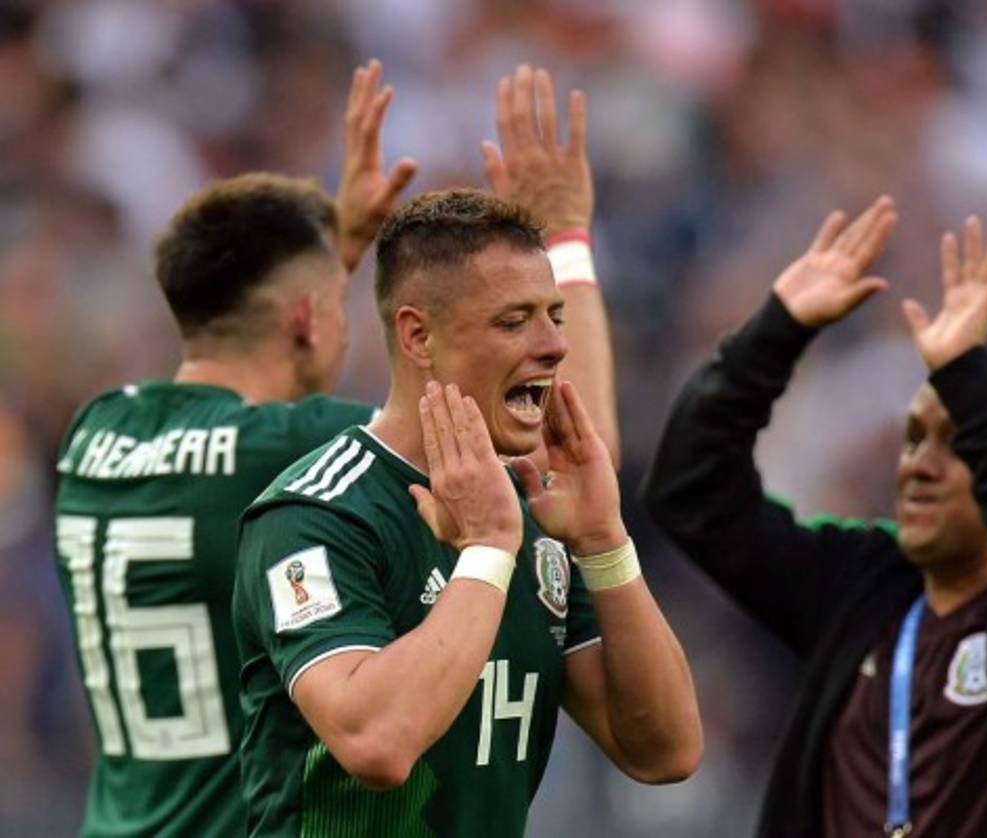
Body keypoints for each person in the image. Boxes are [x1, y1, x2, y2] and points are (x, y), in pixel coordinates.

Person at [642, 198, 987, 837]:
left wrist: (971, 378)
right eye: (915, 437)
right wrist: (774, 335)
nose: (919, 464)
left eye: (960, 441)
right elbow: (691, 494)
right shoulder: (866, 587)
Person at [230, 187, 701, 834]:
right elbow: (375, 744)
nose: (553, 345)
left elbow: (665, 750)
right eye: (513, 321)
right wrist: (485, 551)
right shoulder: (315, 514)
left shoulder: (541, 509)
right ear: (418, 335)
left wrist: (604, 540)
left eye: (554, 316)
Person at [51, 59, 415, 838]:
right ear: (308, 319)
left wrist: (335, 257)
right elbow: (504, 431)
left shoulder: (95, 433)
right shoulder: (293, 445)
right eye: (335, 305)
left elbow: (260, 368)